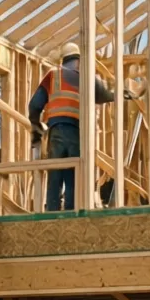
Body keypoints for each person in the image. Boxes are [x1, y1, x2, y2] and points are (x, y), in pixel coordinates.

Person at [28, 42, 115, 211]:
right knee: (73, 176)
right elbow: (107, 94)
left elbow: (34, 105)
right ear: (78, 61)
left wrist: (36, 125)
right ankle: (71, 214)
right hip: (77, 132)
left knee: (55, 174)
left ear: (63, 60)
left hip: (56, 131)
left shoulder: (53, 75)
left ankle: (52, 213)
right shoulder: (85, 78)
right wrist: (129, 92)